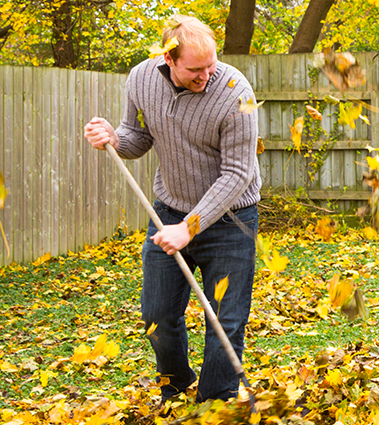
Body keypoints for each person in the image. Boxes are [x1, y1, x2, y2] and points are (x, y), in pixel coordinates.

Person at [83, 15, 260, 403]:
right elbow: (138, 137)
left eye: (211, 64)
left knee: (225, 322)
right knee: (158, 317)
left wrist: (190, 226)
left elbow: (238, 173)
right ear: (169, 59)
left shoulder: (236, 93)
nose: (206, 76)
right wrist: (113, 137)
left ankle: (215, 403)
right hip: (169, 210)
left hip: (231, 220)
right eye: (196, 69)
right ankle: (176, 386)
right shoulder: (141, 79)